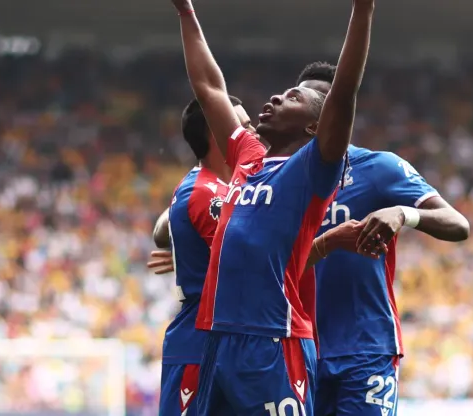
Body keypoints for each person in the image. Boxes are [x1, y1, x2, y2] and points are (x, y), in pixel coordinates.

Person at [169, 0, 374, 412]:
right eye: (281, 93)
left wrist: (363, 10)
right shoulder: (246, 156)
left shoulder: (312, 170)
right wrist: (186, 12)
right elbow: (209, 87)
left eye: (293, 98)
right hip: (216, 337)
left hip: (273, 340)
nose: (277, 97)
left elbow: (344, 93)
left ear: (316, 127)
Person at [295, 61, 470, 416]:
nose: (322, 110)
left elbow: (457, 224)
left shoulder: (379, 168)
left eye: (329, 100)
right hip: (297, 347)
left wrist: (406, 214)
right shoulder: (278, 179)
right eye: (309, 99)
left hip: (365, 347)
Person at [153, 96, 248, 416]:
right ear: (218, 132)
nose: (253, 133)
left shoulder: (218, 187)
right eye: (243, 127)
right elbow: (244, 267)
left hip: (217, 341)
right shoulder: (210, 194)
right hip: (201, 344)